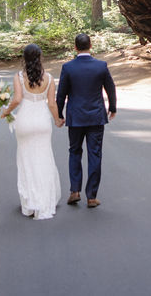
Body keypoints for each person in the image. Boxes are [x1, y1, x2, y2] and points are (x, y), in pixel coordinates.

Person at [1, 44, 62, 219]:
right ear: (40, 57)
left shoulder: (19, 77)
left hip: (25, 121)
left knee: (26, 160)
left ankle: (30, 203)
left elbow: (18, 99)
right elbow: (52, 103)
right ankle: (44, 200)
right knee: (44, 159)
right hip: (43, 122)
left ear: (24, 58)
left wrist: (6, 111)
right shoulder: (49, 78)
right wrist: (57, 119)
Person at [56, 33, 116, 209]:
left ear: (75, 47)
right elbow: (110, 88)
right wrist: (112, 108)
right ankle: (91, 196)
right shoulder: (101, 66)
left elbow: (61, 94)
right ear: (91, 46)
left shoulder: (68, 67)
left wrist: (59, 114)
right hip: (96, 117)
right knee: (94, 154)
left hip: (75, 118)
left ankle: (75, 191)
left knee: (74, 152)